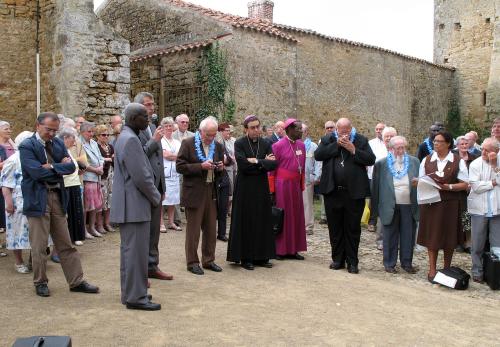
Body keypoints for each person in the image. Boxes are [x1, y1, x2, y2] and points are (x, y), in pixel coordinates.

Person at [19, 112, 99, 297]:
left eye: (54, 130)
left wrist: (53, 167)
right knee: (39, 246)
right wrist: (59, 166)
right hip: (38, 199)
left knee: (65, 242)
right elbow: (36, 173)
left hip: (57, 196)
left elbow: (72, 167)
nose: (51, 134)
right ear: (37, 125)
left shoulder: (57, 143)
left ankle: (76, 281)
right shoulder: (27, 146)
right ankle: (40, 282)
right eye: (48, 130)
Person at [110, 103, 162, 311]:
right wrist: (156, 197)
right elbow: (142, 176)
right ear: (133, 119)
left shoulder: (124, 137)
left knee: (130, 253)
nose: (148, 120)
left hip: (129, 204)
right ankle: (136, 297)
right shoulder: (131, 140)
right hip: (134, 205)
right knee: (136, 254)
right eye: (143, 116)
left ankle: (130, 292)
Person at [315, 118, 375, 274]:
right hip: (332, 192)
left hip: (354, 193)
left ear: (351, 128)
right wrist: (337, 145)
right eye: (340, 130)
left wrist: (353, 149)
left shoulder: (361, 140)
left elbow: (371, 159)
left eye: (346, 130)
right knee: (335, 228)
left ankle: (352, 262)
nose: (344, 133)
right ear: (336, 129)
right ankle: (337, 259)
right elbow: (318, 155)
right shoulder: (328, 139)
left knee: (352, 229)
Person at [416, 131, 469, 284]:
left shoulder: (457, 160)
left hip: (450, 204)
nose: (436, 144)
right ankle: (432, 269)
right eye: (434, 141)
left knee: (449, 237)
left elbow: (465, 184)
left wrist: (449, 187)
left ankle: (446, 268)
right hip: (430, 204)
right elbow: (420, 180)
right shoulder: (426, 160)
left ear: (448, 144)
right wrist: (417, 182)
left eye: (439, 141)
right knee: (432, 236)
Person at [227, 115, 277, 269]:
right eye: (253, 128)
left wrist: (255, 161)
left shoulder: (266, 142)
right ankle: (246, 257)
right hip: (245, 187)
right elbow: (243, 165)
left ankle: (261, 256)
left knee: (262, 219)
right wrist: (263, 162)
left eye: (258, 127)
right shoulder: (240, 143)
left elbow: (273, 164)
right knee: (247, 220)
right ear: (246, 129)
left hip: (261, 187)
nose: (256, 130)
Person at [176, 116, 224, 275]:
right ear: (200, 131)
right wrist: (200, 166)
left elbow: (220, 169)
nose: (211, 138)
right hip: (194, 191)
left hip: (211, 191)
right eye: (208, 135)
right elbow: (180, 166)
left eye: (214, 134)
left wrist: (220, 167)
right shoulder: (188, 143)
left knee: (211, 229)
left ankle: (209, 260)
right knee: (193, 230)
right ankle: (192, 262)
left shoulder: (217, 146)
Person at [134, 92, 172, 281]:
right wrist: (155, 140)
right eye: (148, 105)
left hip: (156, 186)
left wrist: (162, 187)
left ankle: (152, 265)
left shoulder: (152, 126)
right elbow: (139, 156)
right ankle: (141, 271)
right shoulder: (134, 130)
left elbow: (158, 160)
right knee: (142, 232)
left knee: (154, 232)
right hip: (142, 188)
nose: (152, 108)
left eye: (152, 104)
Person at [371, 136, 419, 274]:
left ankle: (407, 263)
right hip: (389, 204)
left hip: (409, 204)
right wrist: (374, 211)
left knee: (408, 235)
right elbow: (375, 188)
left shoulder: (414, 162)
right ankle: (389, 263)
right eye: (398, 148)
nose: (401, 151)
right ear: (390, 149)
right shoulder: (382, 164)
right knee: (389, 236)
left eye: (403, 147)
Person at [270, 118, 307, 260]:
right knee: (283, 217)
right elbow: (272, 170)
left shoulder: (301, 146)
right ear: (289, 130)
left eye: (301, 128)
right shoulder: (278, 146)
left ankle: (294, 249)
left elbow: (301, 167)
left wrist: (301, 184)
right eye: (298, 129)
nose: (301, 131)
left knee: (296, 216)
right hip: (282, 186)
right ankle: (280, 249)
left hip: (295, 185)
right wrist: (272, 190)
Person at [468, 137, 500, 283]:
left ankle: (495, 273)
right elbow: (476, 187)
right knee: (477, 243)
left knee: (497, 244)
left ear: (496, 151)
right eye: (482, 149)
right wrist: (494, 182)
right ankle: (477, 271)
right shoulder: (475, 164)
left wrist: (494, 166)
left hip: (497, 209)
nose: (484, 152)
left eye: (488, 150)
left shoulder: (498, 163)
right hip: (478, 209)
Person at [1, 131, 34, 273]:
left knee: (36, 232)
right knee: (16, 231)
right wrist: (8, 203)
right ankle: (19, 262)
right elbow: (6, 184)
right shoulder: (13, 160)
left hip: (33, 200)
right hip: (17, 202)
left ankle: (34, 260)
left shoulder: (34, 158)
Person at [58, 128, 86, 246]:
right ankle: (68, 237)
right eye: (72, 140)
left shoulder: (67, 150)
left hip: (74, 183)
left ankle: (75, 236)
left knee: (76, 212)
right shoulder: (59, 151)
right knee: (69, 212)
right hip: (67, 184)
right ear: (65, 138)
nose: (74, 143)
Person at [81, 122, 105, 237]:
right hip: (87, 177)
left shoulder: (94, 143)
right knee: (87, 205)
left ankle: (92, 227)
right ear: (82, 132)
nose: (91, 134)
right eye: (89, 132)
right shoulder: (79, 144)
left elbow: (100, 157)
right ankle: (84, 230)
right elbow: (82, 162)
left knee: (95, 205)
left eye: (92, 132)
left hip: (97, 177)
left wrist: (100, 166)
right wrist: (96, 170)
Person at [159, 117, 181, 231]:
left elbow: (181, 156)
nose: (169, 127)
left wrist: (172, 155)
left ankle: (171, 222)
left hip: (175, 173)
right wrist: (174, 155)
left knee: (173, 200)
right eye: (166, 126)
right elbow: (165, 155)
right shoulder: (160, 141)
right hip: (165, 174)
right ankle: (161, 223)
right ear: (162, 128)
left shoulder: (177, 142)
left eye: (170, 125)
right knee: (163, 200)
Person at [214, 123, 233, 242]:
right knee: (212, 208)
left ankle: (221, 233)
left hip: (224, 178)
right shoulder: (209, 146)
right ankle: (210, 231)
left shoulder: (221, 145)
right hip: (213, 179)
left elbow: (230, 160)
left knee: (223, 207)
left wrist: (225, 160)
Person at [366, 123, 386, 232]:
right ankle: (372, 221)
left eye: (381, 129)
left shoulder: (390, 143)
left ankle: (384, 221)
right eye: (377, 129)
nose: (378, 131)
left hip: (387, 175)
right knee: (373, 198)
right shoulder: (371, 143)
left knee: (385, 199)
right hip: (372, 174)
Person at [95, 124, 115, 233]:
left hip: (111, 175)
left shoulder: (110, 146)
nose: (106, 136)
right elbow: (97, 159)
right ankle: (99, 224)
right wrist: (108, 159)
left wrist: (112, 158)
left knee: (110, 199)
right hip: (101, 176)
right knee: (101, 200)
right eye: (103, 134)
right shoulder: (96, 146)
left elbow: (114, 158)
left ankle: (107, 223)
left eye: (107, 134)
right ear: (98, 136)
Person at [302, 123, 320, 235]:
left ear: (307, 132)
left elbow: (318, 162)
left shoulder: (313, 146)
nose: (300, 133)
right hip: (295, 178)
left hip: (308, 178)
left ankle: (308, 226)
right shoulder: (294, 144)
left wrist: (316, 176)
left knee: (307, 203)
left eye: (303, 131)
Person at [317, 121, 336, 224]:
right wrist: (319, 173)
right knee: (325, 195)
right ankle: (324, 215)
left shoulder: (338, 139)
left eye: (331, 127)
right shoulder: (322, 141)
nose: (329, 129)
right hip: (325, 171)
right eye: (327, 128)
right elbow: (319, 158)